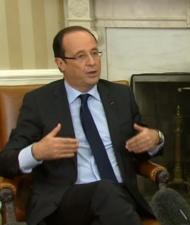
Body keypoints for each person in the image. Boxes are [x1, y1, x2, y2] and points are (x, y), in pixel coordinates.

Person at [0, 26, 165, 225]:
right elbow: (6, 161)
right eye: (80, 56)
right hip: (64, 202)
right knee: (106, 190)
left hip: (120, 199)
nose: (92, 62)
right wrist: (36, 152)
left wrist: (155, 139)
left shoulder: (121, 96)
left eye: (95, 52)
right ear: (60, 63)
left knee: (110, 199)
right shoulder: (39, 102)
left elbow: (139, 146)